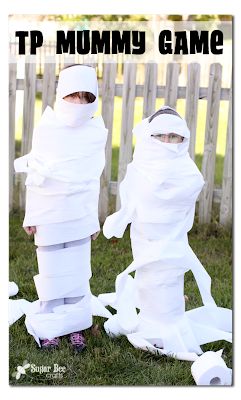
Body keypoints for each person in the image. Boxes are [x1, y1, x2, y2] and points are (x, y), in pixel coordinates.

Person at [99, 106, 232, 361]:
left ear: (184, 139)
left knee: (168, 281)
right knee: (150, 279)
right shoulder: (140, 167)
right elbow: (135, 199)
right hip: (145, 238)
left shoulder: (188, 173)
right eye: (161, 136)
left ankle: (169, 323)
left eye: (174, 137)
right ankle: (150, 322)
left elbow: (183, 196)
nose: (167, 142)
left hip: (173, 241)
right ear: (150, 137)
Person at [14, 64, 108, 351]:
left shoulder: (95, 133)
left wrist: (92, 220)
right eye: (73, 96)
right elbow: (36, 176)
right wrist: (33, 214)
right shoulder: (48, 129)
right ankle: (51, 325)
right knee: (53, 269)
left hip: (79, 214)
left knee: (78, 271)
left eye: (85, 98)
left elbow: (92, 181)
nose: (79, 104)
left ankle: (76, 324)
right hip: (50, 214)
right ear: (61, 96)